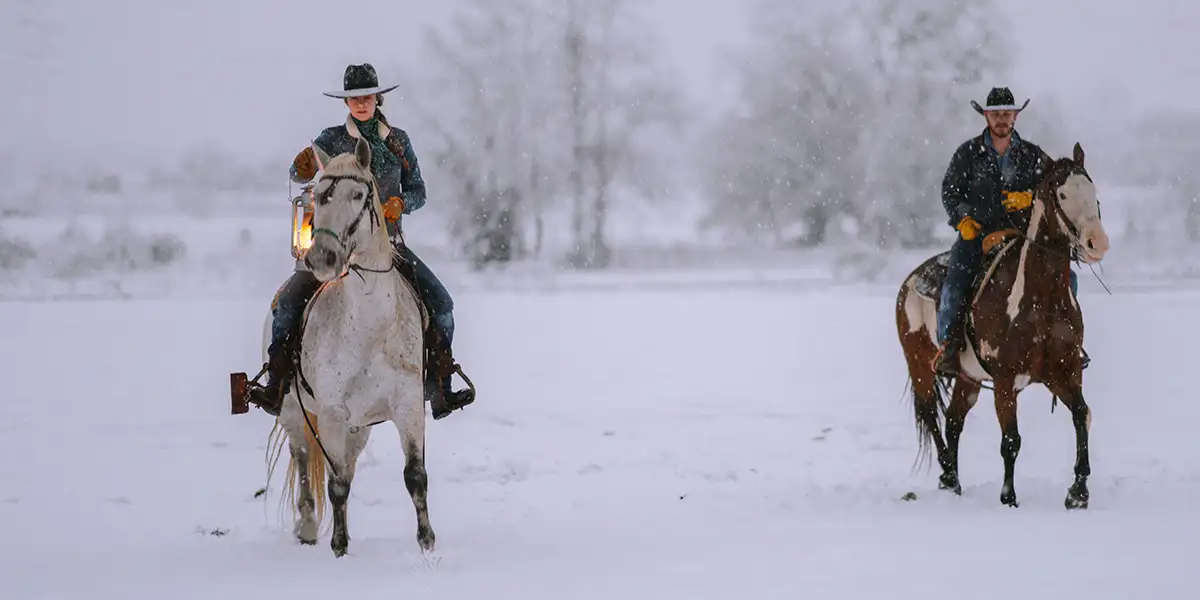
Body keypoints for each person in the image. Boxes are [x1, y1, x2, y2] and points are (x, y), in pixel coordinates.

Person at [243, 63, 475, 420]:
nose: (361, 103)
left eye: (366, 96)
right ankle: (276, 384)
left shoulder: (398, 142)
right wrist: (301, 168)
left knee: (442, 306)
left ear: (377, 98)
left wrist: (401, 203)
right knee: (287, 305)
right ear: (346, 103)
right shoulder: (330, 139)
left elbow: (419, 192)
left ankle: (439, 386)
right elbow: (298, 174)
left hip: (388, 247)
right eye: (354, 98)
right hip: (335, 247)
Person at [933, 86, 1088, 376]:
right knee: (955, 282)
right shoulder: (968, 153)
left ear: (1015, 117)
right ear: (986, 117)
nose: (1001, 119)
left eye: (1007, 113)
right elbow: (950, 192)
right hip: (976, 235)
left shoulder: (1032, 155)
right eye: (996, 114)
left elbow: (1052, 191)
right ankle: (949, 347)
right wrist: (962, 220)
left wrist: (1029, 197)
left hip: (1021, 236)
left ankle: (1066, 344)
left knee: (1070, 280)